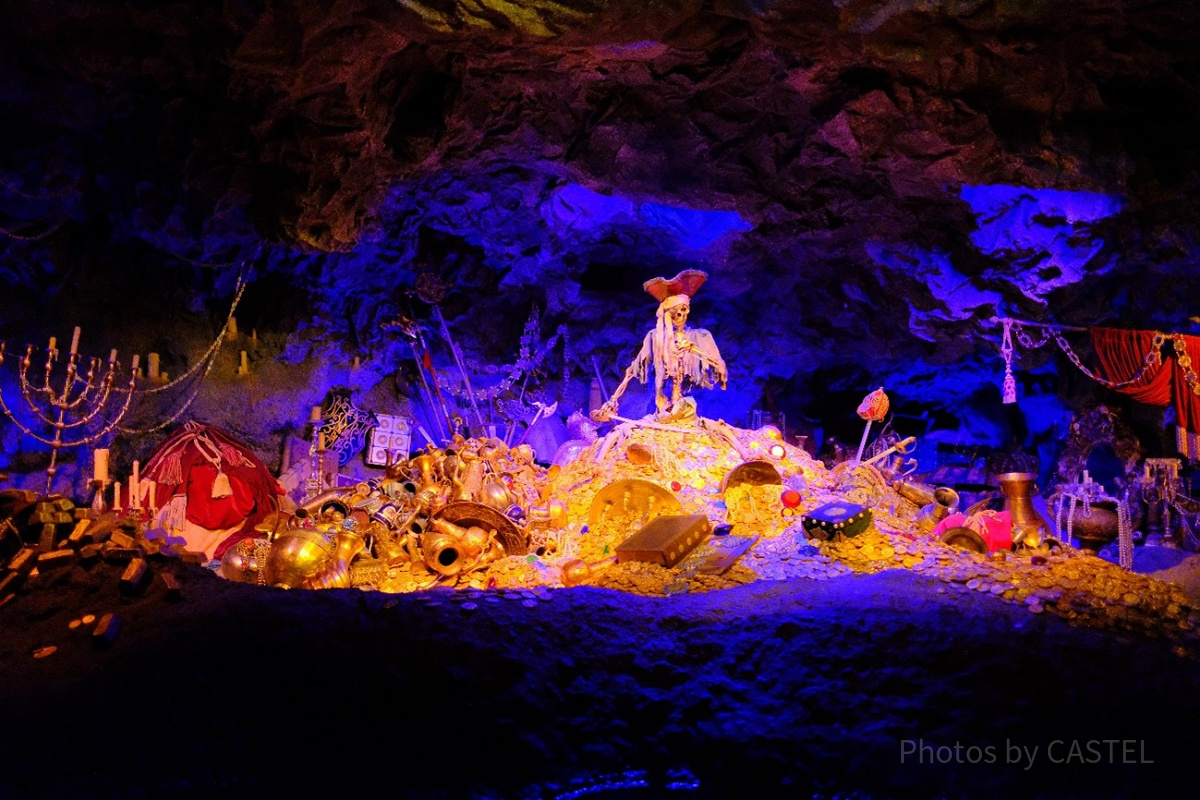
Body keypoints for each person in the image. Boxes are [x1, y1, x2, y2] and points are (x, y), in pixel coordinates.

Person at [593, 269, 726, 423]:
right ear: (667, 313)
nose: (680, 316)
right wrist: (612, 400)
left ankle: (678, 407)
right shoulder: (655, 337)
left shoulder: (699, 337)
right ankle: (669, 409)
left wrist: (716, 363)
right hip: (664, 404)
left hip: (684, 406)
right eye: (674, 312)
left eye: (684, 310)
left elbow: (716, 363)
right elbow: (633, 370)